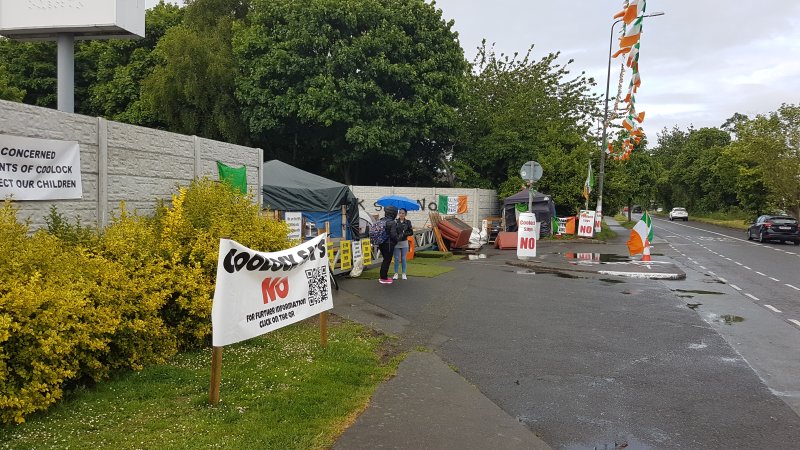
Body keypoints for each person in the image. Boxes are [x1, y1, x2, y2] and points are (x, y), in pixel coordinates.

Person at [376, 205, 401, 284]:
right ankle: (383, 278)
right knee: (387, 260)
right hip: (389, 244)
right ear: (393, 213)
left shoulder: (381, 220)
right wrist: (397, 240)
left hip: (381, 242)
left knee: (385, 259)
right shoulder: (392, 222)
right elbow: (393, 235)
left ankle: (383, 276)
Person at [393, 208, 414, 280]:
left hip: (404, 242)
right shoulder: (395, 221)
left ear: (405, 214)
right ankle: (396, 273)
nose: (401, 214)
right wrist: (397, 235)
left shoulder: (408, 222)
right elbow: (393, 231)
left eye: (403, 213)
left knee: (403, 258)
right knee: (396, 258)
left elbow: (411, 232)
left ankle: (404, 273)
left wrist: (404, 233)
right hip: (396, 243)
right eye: (400, 213)